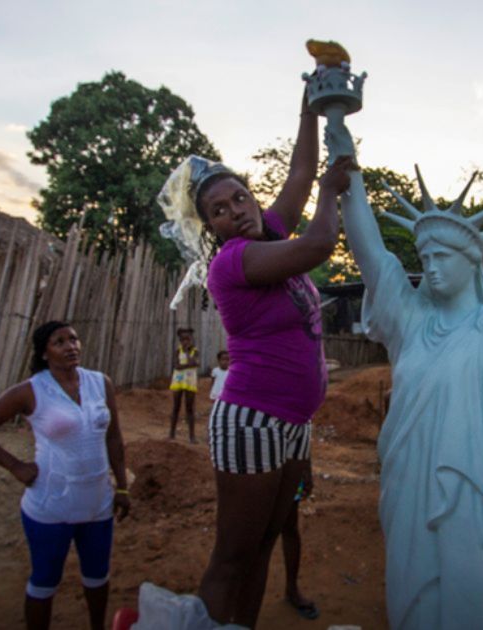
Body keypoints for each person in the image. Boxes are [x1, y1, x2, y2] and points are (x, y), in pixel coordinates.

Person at [337, 137, 483, 625]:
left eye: (442, 256)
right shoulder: (411, 324)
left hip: (480, 498)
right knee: (414, 602)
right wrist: (345, 157)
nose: (430, 266)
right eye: (424, 257)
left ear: (472, 263)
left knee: (477, 598)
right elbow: (370, 251)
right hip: (409, 490)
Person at [156, 85, 350, 626]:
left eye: (239, 197)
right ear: (210, 227)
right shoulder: (234, 262)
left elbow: (302, 171)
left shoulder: (268, 231)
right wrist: (333, 193)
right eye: (218, 211)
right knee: (232, 556)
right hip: (252, 419)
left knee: (265, 541)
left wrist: (308, 108)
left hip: (290, 422)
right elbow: (319, 245)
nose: (234, 212)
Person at [0, 321, 130, 630]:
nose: (71, 346)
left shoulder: (99, 383)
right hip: (51, 505)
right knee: (44, 582)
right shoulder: (31, 391)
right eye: (60, 341)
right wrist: (15, 466)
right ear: (44, 352)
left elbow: (114, 439)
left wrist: (123, 487)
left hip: (97, 502)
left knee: (97, 577)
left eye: (74, 339)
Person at [281, 483, 318, 620]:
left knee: (290, 527)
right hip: (257, 471)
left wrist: (305, 468)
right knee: (256, 533)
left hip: (290, 469)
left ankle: (292, 590)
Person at [169, 327, 200, 443]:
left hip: (190, 381)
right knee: (176, 406)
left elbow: (194, 363)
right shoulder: (177, 351)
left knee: (190, 408)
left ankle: (192, 436)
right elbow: (177, 366)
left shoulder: (195, 351)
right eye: (183, 340)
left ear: (191, 339)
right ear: (180, 341)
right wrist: (190, 364)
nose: (185, 342)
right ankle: (171, 433)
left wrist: (187, 353)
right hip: (178, 380)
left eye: (188, 339)